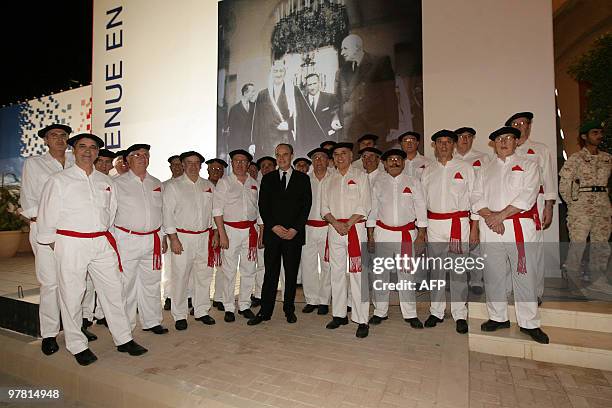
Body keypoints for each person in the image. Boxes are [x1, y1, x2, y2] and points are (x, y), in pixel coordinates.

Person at [37, 133, 147, 366]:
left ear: (98, 152)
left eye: (93, 147)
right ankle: (77, 344)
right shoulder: (59, 180)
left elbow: (112, 212)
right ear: (73, 150)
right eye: (82, 146)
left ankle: (124, 338)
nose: (88, 151)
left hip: (100, 242)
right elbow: (46, 220)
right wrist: (62, 246)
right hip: (70, 243)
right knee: (72, 294)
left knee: (114, 290)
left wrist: (103, 240)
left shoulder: (106, 182)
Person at [20, 123, 98, 354]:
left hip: (74, 233)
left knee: (76, 282)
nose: (59, 139)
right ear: (45, 140)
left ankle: (77, 327)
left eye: (63, 135)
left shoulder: (77, 163)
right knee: (51, 283)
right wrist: (49, 235)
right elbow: (30, 200)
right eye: (53, 135)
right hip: (46, 231)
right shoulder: (34, 164)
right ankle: (50, 333)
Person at [472, 126, 549, 344]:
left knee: (525, 275)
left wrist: (501, 216)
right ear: (493, 144)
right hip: (490, 228)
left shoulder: (529, 165)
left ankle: (529, 323)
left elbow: (528, 195)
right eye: (499, 139)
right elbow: (476, 196)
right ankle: (498, 317)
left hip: (518, 227)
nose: (503, 141)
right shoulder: (485, 169)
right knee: (493, 274)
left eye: (508, 138)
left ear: (516, 142)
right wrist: (490, 217)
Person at [248, 143, 312, 325]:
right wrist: (273, 226)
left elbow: (305, 207)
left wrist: (294, 229)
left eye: (285, 154)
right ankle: (265, 311)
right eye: (278, 155)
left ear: (292, 155)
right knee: (270, 274)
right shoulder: (268, 179)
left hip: (293, 235)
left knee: (291, 274)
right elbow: (263, 206)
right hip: (273, 234)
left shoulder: (302, 179)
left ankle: (289, 309)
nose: (282, 158)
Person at [421, 130, 476, 334]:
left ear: (453, 145)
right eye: (440, 142)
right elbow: (422, 202)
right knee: (436, 270)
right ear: (434, 145)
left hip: (458, 224)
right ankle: (436, 311)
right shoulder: (428, 170)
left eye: (448, 142)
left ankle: (460, 313)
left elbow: (475, 199)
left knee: (459, 271)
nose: (444, 146)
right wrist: (423, 229)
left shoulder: (466, 168)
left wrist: (474, 227)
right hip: (434, 225)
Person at [367, 148, 427, 328]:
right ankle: (380, 311)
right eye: (390, 159)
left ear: (403, 162)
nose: (394, 162)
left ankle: (410, 313)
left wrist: (422, 234)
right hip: (382, 233)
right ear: (384, 164)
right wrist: (370, 235)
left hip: (407, 235)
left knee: (406, 275)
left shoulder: (413, 181)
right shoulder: (378, 183)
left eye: (397, 159)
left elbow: (421, 208)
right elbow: (373, 210)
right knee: (380, 274)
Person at [114, 143, 168, 335]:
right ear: (127, 160)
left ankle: (152, 321)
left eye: (145, 154)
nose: (142, 158)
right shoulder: (117, 183)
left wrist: (162, 236)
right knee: (126, 284)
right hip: (126, 240)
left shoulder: (156, 183)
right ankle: (125, 328)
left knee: (152, 282)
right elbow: (110, 214)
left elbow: (162, 212)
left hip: (151, 240)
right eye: (137, 155)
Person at [320, 142, 372, 338]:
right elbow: (323, 208)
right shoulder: (328, 180)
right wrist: (336, 224)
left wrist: (347, 224)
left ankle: (362, 319)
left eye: (343, 154)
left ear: (351, 156)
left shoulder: (360, 176)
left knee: (358, 276)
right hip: (334, 229)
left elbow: (364, 205)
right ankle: (339, 314)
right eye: (336, 154)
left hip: (355, 230)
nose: (339, 157)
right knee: (337, 273)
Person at [163, 151, 218, 330]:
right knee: (180, 277)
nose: (193, 166)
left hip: (204, 236)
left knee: (204, 275)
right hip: (182, 237)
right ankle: (179, 315)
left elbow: (214, 212)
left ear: (201, 165)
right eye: (189, 162)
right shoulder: (173, 186)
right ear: (184, 164)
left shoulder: (208, 185)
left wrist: (216, 233)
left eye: (197, 163)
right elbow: (167, 214)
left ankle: (201, 310)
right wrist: (174, 239)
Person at [506, 111, 557, 300]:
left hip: (535, 204)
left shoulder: (540, 149)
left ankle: (535, 292)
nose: (520, 126)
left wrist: (549, 206)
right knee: (507, 249)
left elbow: (549, 180)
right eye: (516, 124)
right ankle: (509, 289)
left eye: (523, 123)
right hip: (508, 206)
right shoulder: (505, 149)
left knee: (533, 250)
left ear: (529, 125)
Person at [559, 120, 612, 294]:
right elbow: (564, 185)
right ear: (584, 136)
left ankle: (598, 279)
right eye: (594, 133)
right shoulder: (576, 159)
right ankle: (573, 278)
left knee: (601, 244)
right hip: (581, 208)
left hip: (602, 207)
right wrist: (573, 204)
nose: (599, 136)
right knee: (578, 244)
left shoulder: (607, 158)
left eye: (600, 133)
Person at [213, 149, 260, 322]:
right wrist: (222, 234)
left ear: (249, 164)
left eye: (243, 161)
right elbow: (217, 210)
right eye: (236, 161)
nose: (240, 164)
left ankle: (245, 305)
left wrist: (260, 231)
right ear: (231, 163)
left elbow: (259, 209)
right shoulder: (224, 183)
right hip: (230, 231)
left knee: (249, 270)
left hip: (250, 231)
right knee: (229, 270)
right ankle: (228, 307)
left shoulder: (254, 183)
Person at [335, 34, 398, 145]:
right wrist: (336, 117)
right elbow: (340, 99)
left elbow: (390, 96)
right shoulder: (343, 71)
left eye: (345, 48)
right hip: (352, 129)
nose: (342, 53)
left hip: (375, 126)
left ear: (357, 47)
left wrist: (393, 125)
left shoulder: (379, 62)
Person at [454, 127, 490, 295]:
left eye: (469, 137)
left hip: (475, 209)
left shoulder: (482, 158)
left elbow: (488, 185)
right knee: (455, 247)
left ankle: (476, 280)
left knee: (475, 246)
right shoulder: (449, 159)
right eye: (461, 137)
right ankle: (455, 278)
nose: (465, 140)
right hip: (456, 210)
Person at [298, 148, 333, 315]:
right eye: (315, 158)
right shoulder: (304, 179)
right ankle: (311, 299)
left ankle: (324, 300)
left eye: (322, 157)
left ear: (328, 161)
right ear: (312, 162)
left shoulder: (334, 177)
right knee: (308, 264)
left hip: (328, 227)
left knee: (327, 265)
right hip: (308, 228)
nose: (318, 161)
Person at [252, 59, 301, 158]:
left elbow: (300, 115)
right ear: (271, 72)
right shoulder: (263, 94)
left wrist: (289, 124)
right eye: (275, 71)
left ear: (285, 72)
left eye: (281, 71)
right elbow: (257, 121)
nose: (278, 74)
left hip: (286, 140)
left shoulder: (294, 91)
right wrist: (253, 142)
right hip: (268, 143)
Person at [251, 156, 277, 308]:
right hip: (260, 228)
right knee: (261, 264)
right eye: (263, 166)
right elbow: (260, 210)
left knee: (278, 266)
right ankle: (260, 295)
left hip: (278, 229)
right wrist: (261, 232)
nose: (266, 168)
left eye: (269, 165)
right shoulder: (256, 185)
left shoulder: (281, 183)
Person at [161, 154, 186, 311]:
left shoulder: (189, 184)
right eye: (174, 165)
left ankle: (187, 296)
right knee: (170, 268)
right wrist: (163, 237)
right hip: (170, 233)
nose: (177, 168)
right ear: (170, 168)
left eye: (179, 165)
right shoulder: (164, 186)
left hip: (187, 234)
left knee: (186, 269)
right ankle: (169, 296)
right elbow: (163, 213)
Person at [297, 73, 341, 152]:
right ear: (306, 86)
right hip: (308, 144)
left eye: (314, 83)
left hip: (326, 141)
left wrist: (335, 119)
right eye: (310, 84)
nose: (312, 87)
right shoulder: (302, 102)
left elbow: (337, 111)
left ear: (319, 83)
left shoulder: (330, 98)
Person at [206, 158, 229, 310]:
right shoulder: (201, 185)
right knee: (204, 269)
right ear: (207, 170)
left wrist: (219, 232)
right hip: (204, 231)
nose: (216, 171)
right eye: (213, 169)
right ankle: (199, 300)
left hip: (221, 230)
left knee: (222, 266)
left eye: (219, 169)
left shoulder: (226, 185)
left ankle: (219, 297)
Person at [227, 83, 257, 154]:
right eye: (252, 91)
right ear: (245, 93)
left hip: (251, 145)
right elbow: (232, 131)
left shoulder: (255, 107)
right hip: (238, 145)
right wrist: (231, 150)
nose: (254, 94)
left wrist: (254, 143)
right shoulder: (234, 109)